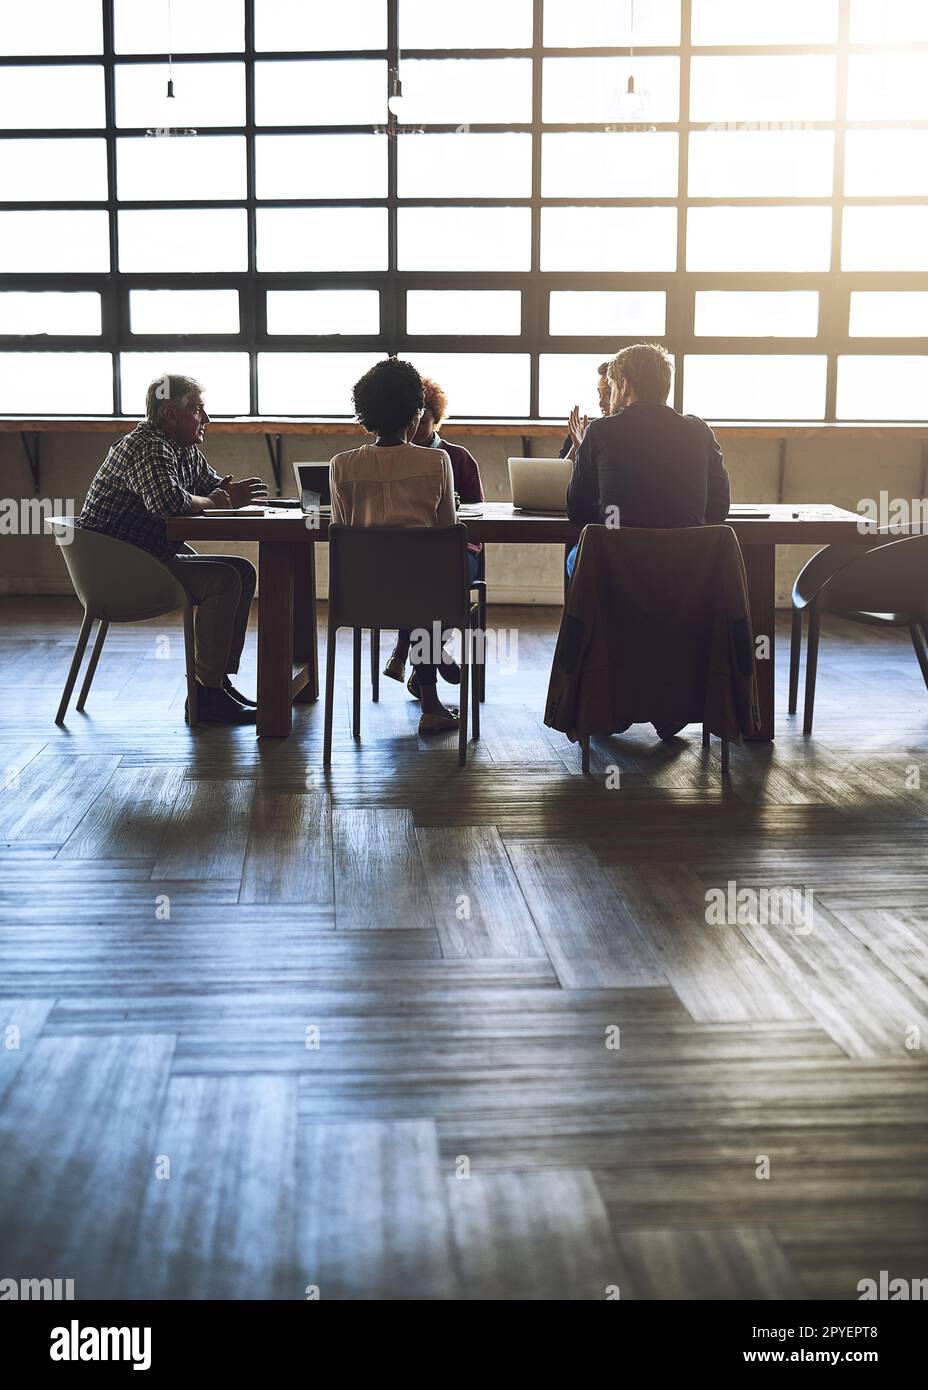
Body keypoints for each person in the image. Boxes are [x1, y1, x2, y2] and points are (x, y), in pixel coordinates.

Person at [78, 374, 268, 725]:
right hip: (119, 573)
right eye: (198, 410)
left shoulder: (180, 446)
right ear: (170, 415)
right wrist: (214, 501)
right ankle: (207, 697)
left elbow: (210, 487)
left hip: (144, 558)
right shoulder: (147, 446)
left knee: (241, 571)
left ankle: (215, 684)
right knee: (226, 580)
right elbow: (169, 504)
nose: (206, 420)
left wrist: (228, 494)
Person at [565, 342, 731, 739]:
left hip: (616, 574)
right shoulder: (698, 431)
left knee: (576, 558)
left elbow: (577, 510)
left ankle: (603, 697)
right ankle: (672, 701)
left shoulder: (602, 431)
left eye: (612, 385)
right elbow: (720, 508)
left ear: (623, 383)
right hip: (686, 576)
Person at [329, 358, 462, 735]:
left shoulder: (341, 465)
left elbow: (343, 529)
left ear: (364, 413)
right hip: (427, 600)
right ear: (416, 414)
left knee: (419, 583)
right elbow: (447, 534)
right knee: (429, 580)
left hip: (360, 599)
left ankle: (423, 676)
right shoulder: (438, 461)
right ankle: (433, 700)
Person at [409, 372, 485, 587]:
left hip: (456, 546)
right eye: (409, 422)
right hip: (409, 547)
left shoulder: (459, 458)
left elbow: (478, 513)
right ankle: (429, 620)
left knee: (439, 575)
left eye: (423, 422)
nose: (414, 429)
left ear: (436, 420)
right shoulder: (397, 458)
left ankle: (432, 621)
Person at [559, 360, 613, 461]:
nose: (601, 403)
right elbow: (559, 472)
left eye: (607, 393)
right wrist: (576, 448)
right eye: (599, 394)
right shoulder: (582, 431)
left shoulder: (627, 436)